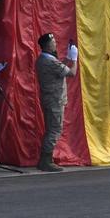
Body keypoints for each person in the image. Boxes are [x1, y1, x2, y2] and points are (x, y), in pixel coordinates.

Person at [35, 32, 76, 173]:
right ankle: (46, 161)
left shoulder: (43, 59)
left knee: (50, 129)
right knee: (54, 130)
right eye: (53, 43)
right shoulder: (50, 61)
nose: (55, 44)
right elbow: (71, 73)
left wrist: (68, 58)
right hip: (54, 100)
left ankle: (46, 159)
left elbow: (60, 68)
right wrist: (74, 59)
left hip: (49, 99)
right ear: (47, 46)